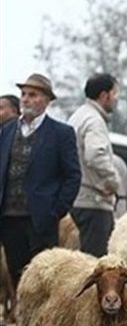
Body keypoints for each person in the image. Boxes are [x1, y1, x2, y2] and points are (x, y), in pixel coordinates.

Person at [0, 73, 80, 287]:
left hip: (41, 220)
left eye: (32, 95)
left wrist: (56, 211)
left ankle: (41, 322)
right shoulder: (6, 131)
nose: (25, 99)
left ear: (46, 100)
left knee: (42, 280)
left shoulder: (61, 133)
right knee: (16, 277)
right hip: (9, 218)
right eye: (24, 94)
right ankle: (20, 320)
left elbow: (72, 176)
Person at [68, 73, 122, 257]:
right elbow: (95, 155)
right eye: (115, 94)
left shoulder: (78, 116)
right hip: (93, 202)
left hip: (78, 199)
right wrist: (112, 182)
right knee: (96, 264)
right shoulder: (94, 121)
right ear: (104, 95)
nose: (117, 99)